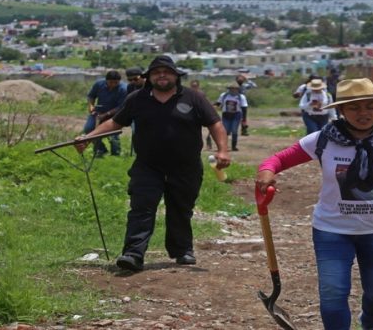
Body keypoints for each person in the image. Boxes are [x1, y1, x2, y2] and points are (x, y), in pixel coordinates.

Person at [255, 77, 373, 330]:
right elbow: (278, 159)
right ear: (341, 110)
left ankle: (370, 323)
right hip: (332, 231)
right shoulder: (324, 139)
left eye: (370, 106)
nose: (364, 113)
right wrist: (266, 171)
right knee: (333, 294)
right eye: (354, 107)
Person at [74, 55, 231, 272]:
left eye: (167, 72)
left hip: (186, 166)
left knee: (181, 208)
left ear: (176, 76)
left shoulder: (194, 98)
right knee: (141, 208)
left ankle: (182, 250)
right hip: (148, 166)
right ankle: (133, 254)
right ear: (149, 77)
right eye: (157, 72)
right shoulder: (138, 98)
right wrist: (89, 137)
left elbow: (215, 124)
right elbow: (115, 121)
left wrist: (223, 150)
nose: (162, 75)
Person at [83, 70, 128, 157]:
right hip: (98, 112)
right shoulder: (99, 84)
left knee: (113, 134)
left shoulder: (124, 89)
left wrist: (106, 114)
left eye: (116, 83)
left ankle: (116, 154)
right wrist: (91, 106)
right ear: (106, 80)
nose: (113, 85)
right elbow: (91, 96)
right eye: (111, 82)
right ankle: (101, 150)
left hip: (114, 115)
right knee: (89, 129)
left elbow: (121, 107)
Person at [215, 83, 246, 151]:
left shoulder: (241, 97)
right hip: (226, 115)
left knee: (234, 130)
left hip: (236, 115)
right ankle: (223, 146)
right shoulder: (224, 95)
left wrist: (244, 119)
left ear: (238, 89)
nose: (233, 90)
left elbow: (244, 108)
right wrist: (212, 107)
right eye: (231, 89)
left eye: (235, 89)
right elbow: (218, 103)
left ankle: (233, 147)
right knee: (225, 131)